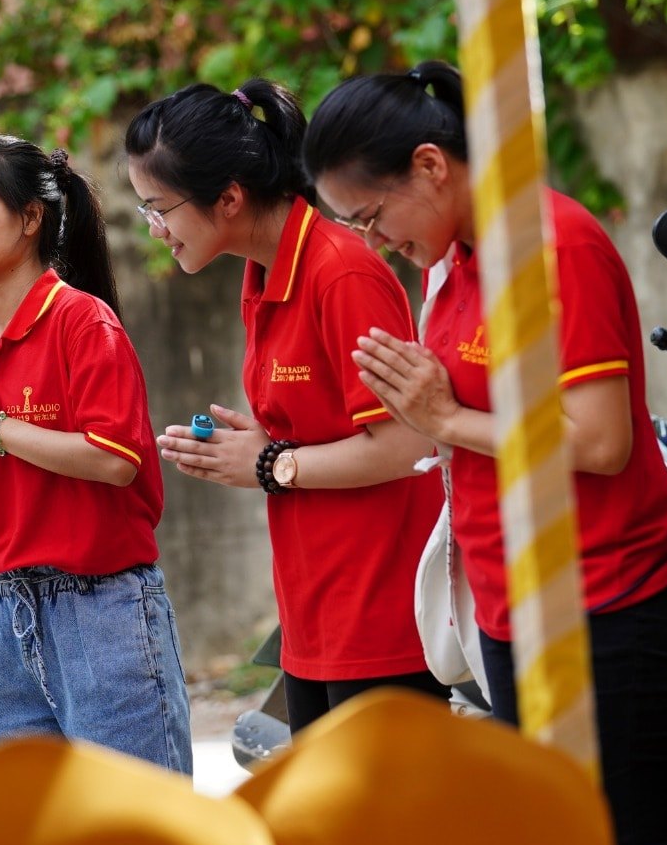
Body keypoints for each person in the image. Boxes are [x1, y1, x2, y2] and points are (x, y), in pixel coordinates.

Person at [309, 60, 667, 845]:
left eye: (371, 216)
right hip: (512, 604)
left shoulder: (553, 246)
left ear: (430, 164)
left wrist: (446, 416)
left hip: (604, 601)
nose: (374, 242)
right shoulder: (449, 262)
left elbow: (599, 443)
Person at [122, 81, 446, 733]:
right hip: (314, 615)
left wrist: (271, 463)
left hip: (380, 619)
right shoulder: (264, 273)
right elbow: (319, 427)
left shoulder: (340, 270)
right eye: (143, 210)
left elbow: (409, 445)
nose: (155, 229)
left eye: (160, 208)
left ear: (230, 198)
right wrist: (259, 448)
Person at [0, 134, 193, 773]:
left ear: (30, 218)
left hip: (102, 612)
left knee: (137, 831)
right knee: (30, 839)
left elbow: (115, 459)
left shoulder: (83, 322)